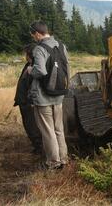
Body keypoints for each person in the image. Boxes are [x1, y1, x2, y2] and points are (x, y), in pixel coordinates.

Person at [28, 21, 69, 170]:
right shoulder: (62, 46)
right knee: (59, 128)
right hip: (59, 94)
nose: (33, 38)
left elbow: (40, 71)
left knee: (48, 130)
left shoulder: (40, 49)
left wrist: (30, 70)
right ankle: (63, 158)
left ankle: (53, 162)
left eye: (33, 35)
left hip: (43, 96)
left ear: (37, 34)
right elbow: (67, 67)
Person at [14, 43, 43, 154]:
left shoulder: (36, 68)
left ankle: (39, 149)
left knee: (33, 127)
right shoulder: (28, 65)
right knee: (28, 125)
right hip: (23, 101)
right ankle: (37, 147)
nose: (25, 55)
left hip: (29, 102)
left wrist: (30, 101)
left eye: (26, 53)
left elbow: (34, 86)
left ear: (30, 54)